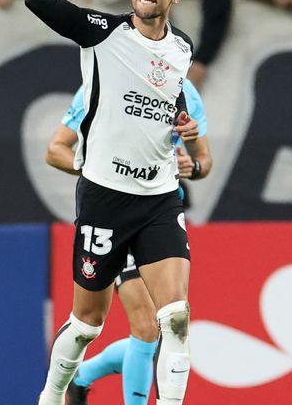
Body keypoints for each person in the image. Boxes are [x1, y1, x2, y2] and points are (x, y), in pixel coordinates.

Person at [26, 0, 207, 405]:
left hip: (158, 198)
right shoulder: (102, 32)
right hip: (104, 197)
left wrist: (181, 124)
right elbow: (37, 1)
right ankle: (52, 395)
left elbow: (164, 96)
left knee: (175, 318)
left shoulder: (182, 48)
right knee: (88, 324)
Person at [53, 76, 207, 405]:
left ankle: (82, 375)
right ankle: (70, 383)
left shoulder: (183, 89)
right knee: (141, 326)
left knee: (163, 326)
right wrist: (100, 170)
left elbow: (204, 160)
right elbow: (55, 149)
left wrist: (192, 165)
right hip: (113, 215)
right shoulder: (102, 80)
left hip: (159, 214)